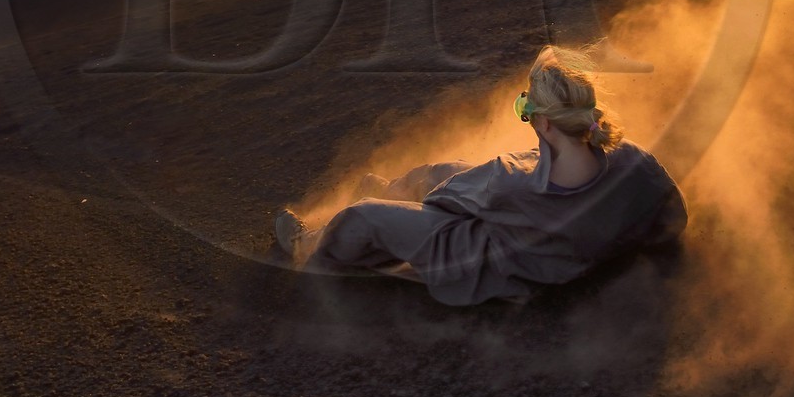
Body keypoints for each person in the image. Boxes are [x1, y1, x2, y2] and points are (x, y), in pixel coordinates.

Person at [273, 44, 687, 306]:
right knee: (443, 171)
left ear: (542, 123)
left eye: (524, 108)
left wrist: (416, 212)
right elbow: (674, 216)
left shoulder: (508, 180)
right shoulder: (634, 160)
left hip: (501, 260)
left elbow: (448, 199)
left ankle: (305, 248)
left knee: (365, 213)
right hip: (541, 236)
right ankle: (393, 191)